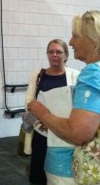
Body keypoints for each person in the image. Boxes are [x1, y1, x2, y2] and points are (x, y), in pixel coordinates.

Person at [27, 10, 100, 185]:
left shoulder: (93, 72)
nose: (71, 42)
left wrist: (42, 113)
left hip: (76, 169)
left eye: (75, 36)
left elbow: (78, 132)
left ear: (93, 39)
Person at [23, 39, 79, 185]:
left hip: (62, 131)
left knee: (61, 174)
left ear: (66, 55)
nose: (55, 55)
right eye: (51, 52)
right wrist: (40, 122)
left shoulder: (75, 75)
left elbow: (76, 105)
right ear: (47, 54)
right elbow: (30, 102)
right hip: (41, 131)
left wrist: (54, 122)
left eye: (59, 52)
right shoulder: (38, 75)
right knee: (39, 170)